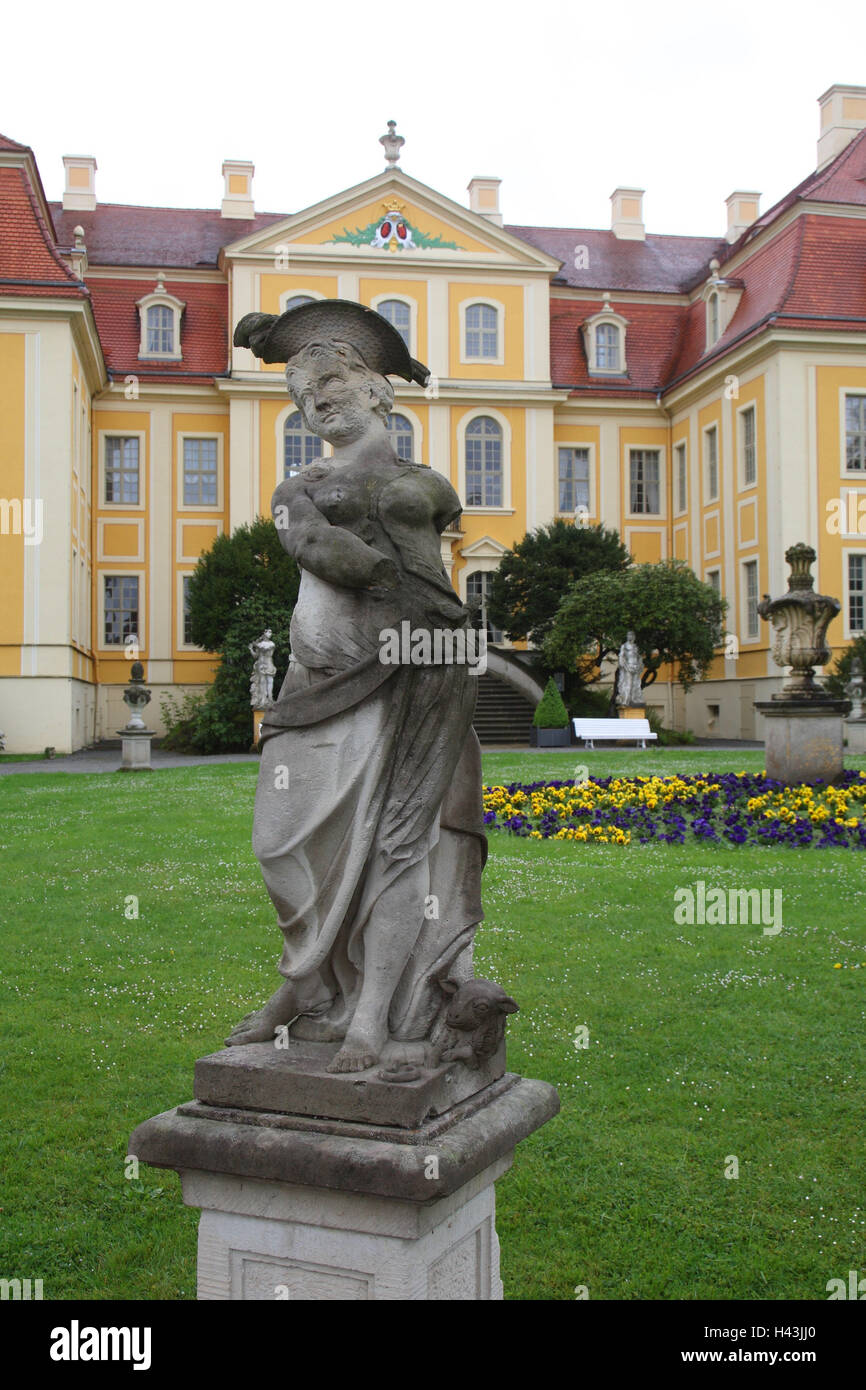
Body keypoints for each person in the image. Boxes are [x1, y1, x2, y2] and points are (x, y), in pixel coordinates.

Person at [225, 301, 486, 1074]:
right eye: (304, 393)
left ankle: (371, 1014)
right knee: (280, 842)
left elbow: (412, 541)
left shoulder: (423, 484)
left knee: (400, 847)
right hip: (319, 686)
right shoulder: (295, 489)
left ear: (379, 391)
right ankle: (305, 984)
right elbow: (320, 549)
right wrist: (322, 522)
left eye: (333, 380)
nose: (319, 399)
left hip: (424, 668)